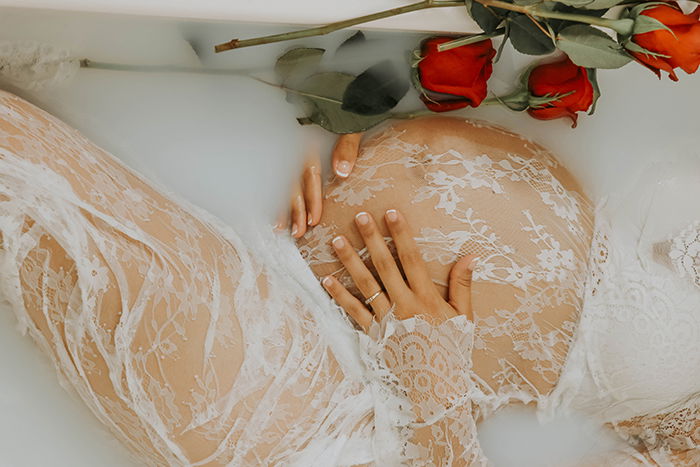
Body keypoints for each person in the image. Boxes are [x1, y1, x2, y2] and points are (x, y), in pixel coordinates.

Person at [0, 89, 698, 467]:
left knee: (19, 168)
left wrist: (433, 389)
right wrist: (320, 114)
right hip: (262, 192)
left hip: (342, 417)